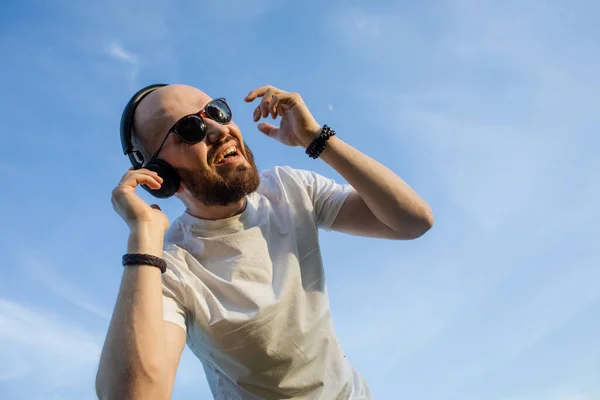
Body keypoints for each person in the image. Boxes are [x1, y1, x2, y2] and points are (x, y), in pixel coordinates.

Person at [95, 83, 434, 400]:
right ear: (160, 175)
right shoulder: (172, 269)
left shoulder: (288, 188)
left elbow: (412, 221)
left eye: (215, 111)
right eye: (189, 129)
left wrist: (315, 138)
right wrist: (143, 236)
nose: (217, 130)